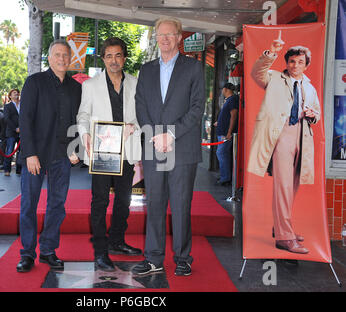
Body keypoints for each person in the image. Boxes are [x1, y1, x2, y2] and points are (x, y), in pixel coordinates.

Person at [132, 17, 205, 277]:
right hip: (154, 146)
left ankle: (183, 258)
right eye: (160, 35)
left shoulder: (193, 68)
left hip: (182, 148)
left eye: (169, 35)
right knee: (155, 204)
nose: (164, 39)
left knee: (181, 205)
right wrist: (155, 135)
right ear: (156, 38)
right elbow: (140, 104)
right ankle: (153, 258)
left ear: (178, 37)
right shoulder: (146, 69)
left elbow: (198, 108)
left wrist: (170, 135)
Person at [247, 36, 320, 254]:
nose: (295, 65)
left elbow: (316, 114)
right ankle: (284, 237)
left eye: (299, 62)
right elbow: (256, 73)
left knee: (293, 185)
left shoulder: (310, 87)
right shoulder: (274, 77)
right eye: (291, 61)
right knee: (284, 187)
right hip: (280, 135)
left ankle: (280, 227)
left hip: (303, 137)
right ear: (286, 63)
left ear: (307, 65)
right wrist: (271, 52)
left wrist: (312, 114)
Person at [77, 37, 142, 272]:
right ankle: (101, 252)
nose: (113, 60)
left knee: (124, 200)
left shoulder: (137, 84)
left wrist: (134, 126)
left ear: (124, 58)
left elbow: (144, 114)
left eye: (118, 55)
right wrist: (84, 133)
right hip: (102, 149)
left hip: (127, 149)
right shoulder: (90, 86)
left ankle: (117, 241)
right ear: (103, 58)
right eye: (109, 56)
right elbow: (83, 115)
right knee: (100, 201)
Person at [16, 39, 81, 273]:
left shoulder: (76, 88)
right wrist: (30, 153)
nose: (62, 59)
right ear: (49, 58)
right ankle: (27, 253)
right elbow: (25, 119)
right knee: (28, 204)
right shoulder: (35, 82)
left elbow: (78, 122)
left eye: (66, 55)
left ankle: (48, 251)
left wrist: (76, 149)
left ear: (70, 58)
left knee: (57, 205)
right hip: (37, 155)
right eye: (57, 55)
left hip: (62, 156)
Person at [214, 82, 239, 186]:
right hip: (222, 132)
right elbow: (227, 116)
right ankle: (225, 176)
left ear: (226, 89)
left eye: (223, 89)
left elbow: (233, 116)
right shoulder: (228, 100)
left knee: (221, 153)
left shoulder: (232, 99)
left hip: (226, 134)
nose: (222, 91)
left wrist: (229, 132)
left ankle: (226, 177)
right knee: (222, 154)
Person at [3, 89, 21, 176]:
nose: (16, 94)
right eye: (14, 93)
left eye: (17, 93)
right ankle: (7, 169)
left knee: (21, 151)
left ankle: (19, 169)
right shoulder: (8, 106)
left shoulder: (22, 105)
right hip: (11, 132)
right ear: (10, 96)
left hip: (22, 132)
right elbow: (6, 119)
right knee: (9, 150)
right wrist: (15, 128)